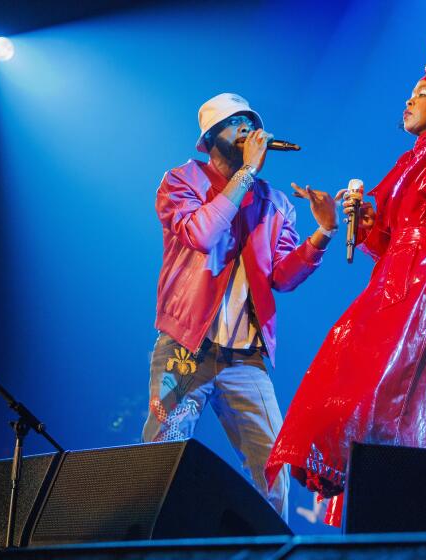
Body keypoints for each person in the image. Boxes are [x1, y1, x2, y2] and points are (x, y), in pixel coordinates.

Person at [265, 32, 426, 525]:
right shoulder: (419, 157)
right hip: (397, 296)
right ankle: (378, 516)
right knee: (363, 410)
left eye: (420, 94)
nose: (408, 99)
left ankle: (405, 523)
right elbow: (394, 238)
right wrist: (363, 222)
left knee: (399, 419)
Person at [142, 93, 338, 519]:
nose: (249, 128)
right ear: (211, 136)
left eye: (252, 121)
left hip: (246, 358)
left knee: (273, 470)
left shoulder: (276, 201)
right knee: (160, 458)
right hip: (185, 350)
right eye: (237, 122)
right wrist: (247, 171)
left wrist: (322, 233)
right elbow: (202, 235)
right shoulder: (181, 181)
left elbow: (282, 278)